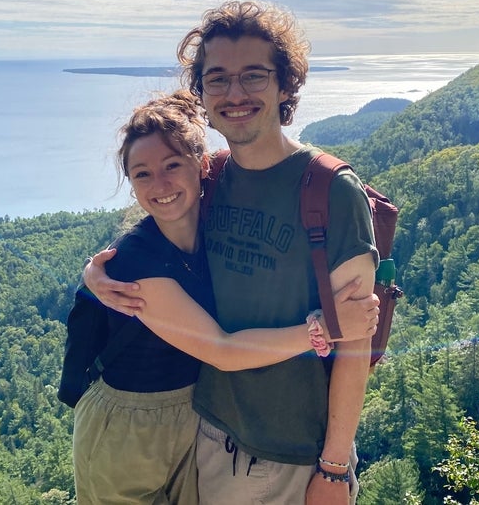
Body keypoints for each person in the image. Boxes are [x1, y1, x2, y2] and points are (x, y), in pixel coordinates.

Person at [72, 89, 379, 505]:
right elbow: (222, 350)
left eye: (172, 165)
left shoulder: (214, 218)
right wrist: (323, 329)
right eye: (142, 174)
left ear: (202, 166)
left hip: (194, 420)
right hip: (128, 423)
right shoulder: (135, 261)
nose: (160, 184)